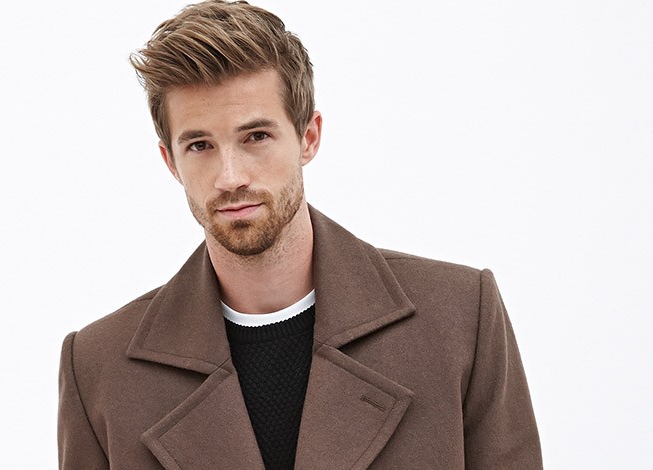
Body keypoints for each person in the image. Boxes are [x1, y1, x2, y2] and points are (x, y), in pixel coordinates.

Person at [57, 1, 542, 468]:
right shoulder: (99, 369)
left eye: (256, 137)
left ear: (308, 137)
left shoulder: (458, 318)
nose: (230, 177)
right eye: (200, 145)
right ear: (171, 162)